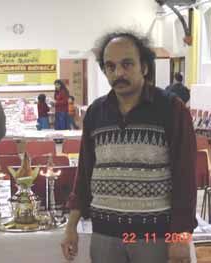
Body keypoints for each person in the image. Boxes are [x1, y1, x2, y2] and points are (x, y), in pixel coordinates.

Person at [61, 30, 197, 263]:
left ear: (144, 67)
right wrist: (70, 226)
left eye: (127, 64)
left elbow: (186, 179)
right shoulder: (96, 113)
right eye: (110, 67)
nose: (118, 73)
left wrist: (180, 237)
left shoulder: (171, 110)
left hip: (154, 237)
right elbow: (84, 175)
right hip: (104, 236)